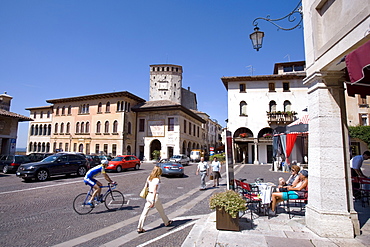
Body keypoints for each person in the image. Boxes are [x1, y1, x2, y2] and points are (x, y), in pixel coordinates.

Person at [137, 166, 172, 233]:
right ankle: (166, 222)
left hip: (148, 196)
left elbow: (146, 186)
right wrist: (153, 201)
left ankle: (139, 227)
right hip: (154, 196)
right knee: (161, 211)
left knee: (144, 213)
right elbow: (155, 190)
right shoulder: (157, 180)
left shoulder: (149, 178)